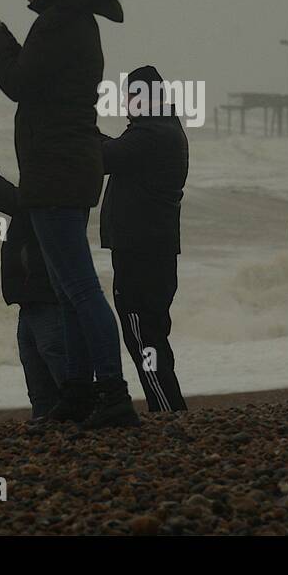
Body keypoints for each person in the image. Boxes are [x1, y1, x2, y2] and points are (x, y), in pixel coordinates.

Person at [0, 0, 139, 429]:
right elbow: (30, 73)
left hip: (57, 172)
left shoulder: (63, 23)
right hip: (64, 168)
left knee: (79, 289)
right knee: (67, 290)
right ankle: (80, 393)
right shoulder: (66, 22)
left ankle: (113, 394)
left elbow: (17, 82)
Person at [99, 65, 189, 412]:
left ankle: (165, 409)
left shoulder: (151, 133)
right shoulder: (163, 129)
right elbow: (115, 149)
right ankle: (168, 405)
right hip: (155, 250)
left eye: (132, 96)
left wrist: (75, 128)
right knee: (151, 333)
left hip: (141, 251)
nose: (126, 103)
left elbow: (104, 156)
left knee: (142, 334)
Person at [0, 152, 67, 421]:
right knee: (35, 366)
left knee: (54, 360)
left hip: (44, 295)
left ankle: (73, 416)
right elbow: (9, 200)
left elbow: (11, 199)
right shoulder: (40, 191)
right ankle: (47, 419)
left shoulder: (50, 192)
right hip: (31, 296)